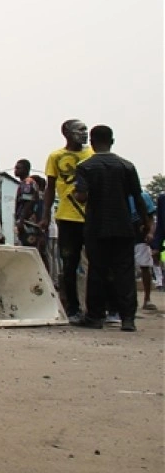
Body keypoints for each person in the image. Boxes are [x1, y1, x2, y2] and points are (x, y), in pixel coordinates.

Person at [71, 126, 150, 332]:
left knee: (97, 270)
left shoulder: (85, 166)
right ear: (112, 141)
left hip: (96, 226)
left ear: (92, 142)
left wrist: (75, 193)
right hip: (123, 226)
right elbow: (138, 197)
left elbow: (81, 196)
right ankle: (128, 319)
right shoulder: (127, 166)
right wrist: (145, 222)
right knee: (124, 272)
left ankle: (95, 317)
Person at [41, 119, 94, 321]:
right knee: (68, 263)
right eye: (80, 130)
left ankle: (95, 307)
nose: (84, 133)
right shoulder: (56, 156)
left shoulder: (91, 155)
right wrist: (45, 216)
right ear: (67, 133)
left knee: (94, 264)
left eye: (86, 130)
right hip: (66, 217)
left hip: (90, 216)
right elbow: (50, 187)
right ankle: (72, 308)